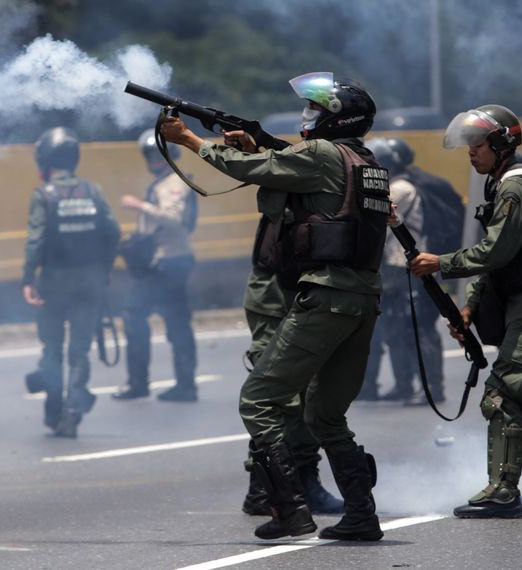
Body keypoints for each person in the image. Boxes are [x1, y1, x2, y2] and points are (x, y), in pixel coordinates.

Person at [161, 72, 386, 541]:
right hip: (361, 299)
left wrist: (186, 139)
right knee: (325, 414)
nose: (310, 115)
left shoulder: (322, 153)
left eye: (317, 110)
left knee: (259, 398)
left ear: (337, 118)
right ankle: (362, 515)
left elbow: (255, 172)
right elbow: (284, 172)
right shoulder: (362, 160)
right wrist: (255, 147)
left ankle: (289, 509)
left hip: (324, 295)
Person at [409, 105, 522, 518]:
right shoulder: (502, 184)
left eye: (478, 144)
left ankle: (503, 491)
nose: (470, 152)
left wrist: (441, 264)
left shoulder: (515, 188)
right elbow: (498, 261)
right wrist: (468, 306)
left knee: (501, 395)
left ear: (502, 144)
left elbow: (495, 250)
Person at [22, 127, 120, 438]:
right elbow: (113, 231)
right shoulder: (93, 191)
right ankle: (74, 411)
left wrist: (28, 278)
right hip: (90, 282)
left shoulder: (43, 195)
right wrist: (103, 270)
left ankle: (53, 412)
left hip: (54, 283)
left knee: (52, 349)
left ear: (46, 161)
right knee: (79, 350)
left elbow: (35, 241)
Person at [240, 250, 343, 516]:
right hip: (276, 291)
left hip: (311, 285)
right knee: (275, 390)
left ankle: (275, 487)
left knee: (306, 386)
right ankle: (271, 488)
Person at [112, 132, 198, 402]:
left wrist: (139, 206)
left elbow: (173, 218)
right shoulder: (163, 183)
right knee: (139, 317)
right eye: (150, 156)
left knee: (170, 322)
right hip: (159, 262)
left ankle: (181, 385)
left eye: (159, 156)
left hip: (170, 262)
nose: (154, 161)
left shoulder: (175, 183)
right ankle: (145, 383)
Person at [357, 137, 445, 404]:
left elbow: (370, 214)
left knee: (418, 328)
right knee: (394, 328)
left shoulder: (401, 188)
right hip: (395, 269)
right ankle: (404, 384)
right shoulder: (396, 186)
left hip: (409, 269)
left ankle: (433, 387)